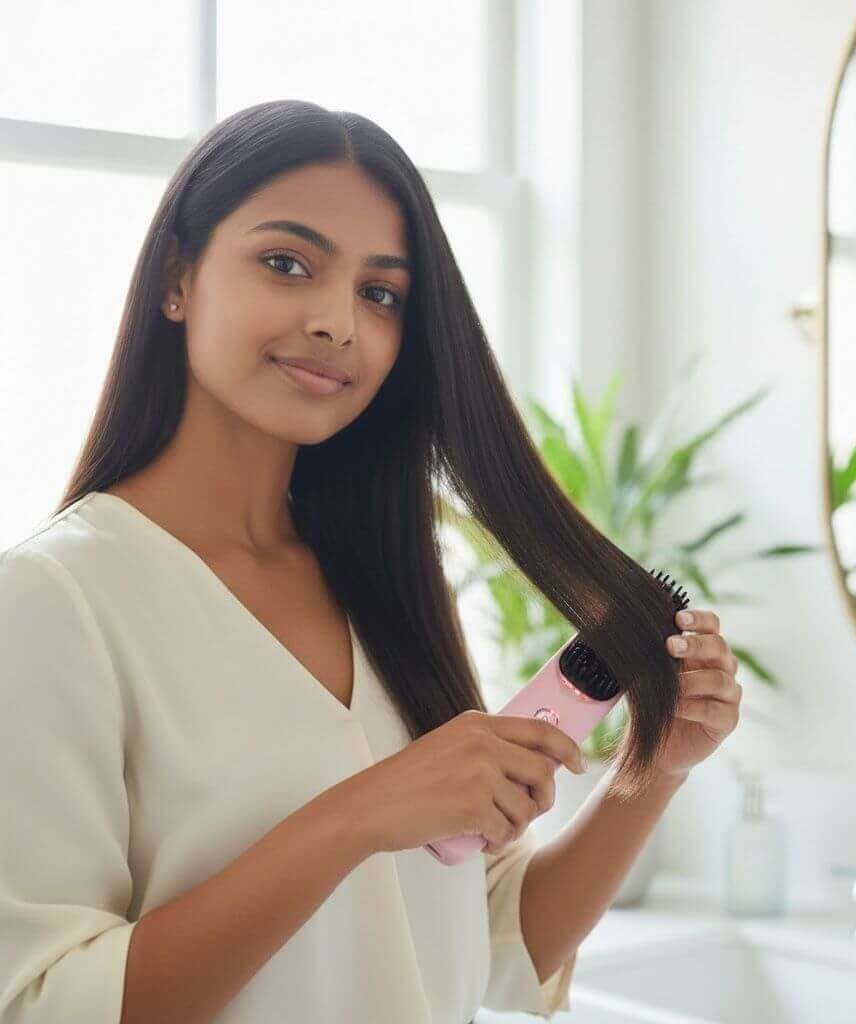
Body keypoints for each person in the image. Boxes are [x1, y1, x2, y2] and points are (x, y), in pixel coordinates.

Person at [0, 100, 701, 1023]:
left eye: (381, 294)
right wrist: (356, 816)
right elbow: (47, 1002)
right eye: (287, 263)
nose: (338, 323)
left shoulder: (386, 586)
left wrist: (656, 766)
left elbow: (481, 938)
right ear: (179, 275)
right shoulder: (54, 601)